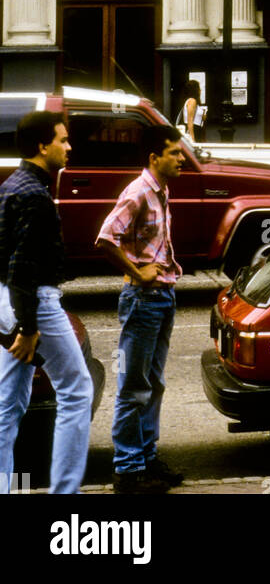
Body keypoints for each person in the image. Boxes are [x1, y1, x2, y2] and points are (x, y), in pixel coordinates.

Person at [0, 111, 93, 495]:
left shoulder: (10, 185)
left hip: (6, 301)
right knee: (76, 389)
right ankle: (65, 492)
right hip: (34, 302)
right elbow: (23, 269)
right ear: (43, 146)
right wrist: (29, 328)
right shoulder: (35, 196)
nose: (69, 147)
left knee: (8, 407)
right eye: (63, 140)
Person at [96, 126, 185, 495]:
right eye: (174, 153)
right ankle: (128, 471)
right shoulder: (137, 193)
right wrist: (136, 271)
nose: (181, 159)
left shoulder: (161, 190)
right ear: (154, 157)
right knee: (134, 387)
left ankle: (147, 461)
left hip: (163, 297)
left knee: (154, 384)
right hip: (143, 299)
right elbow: (105, 237)